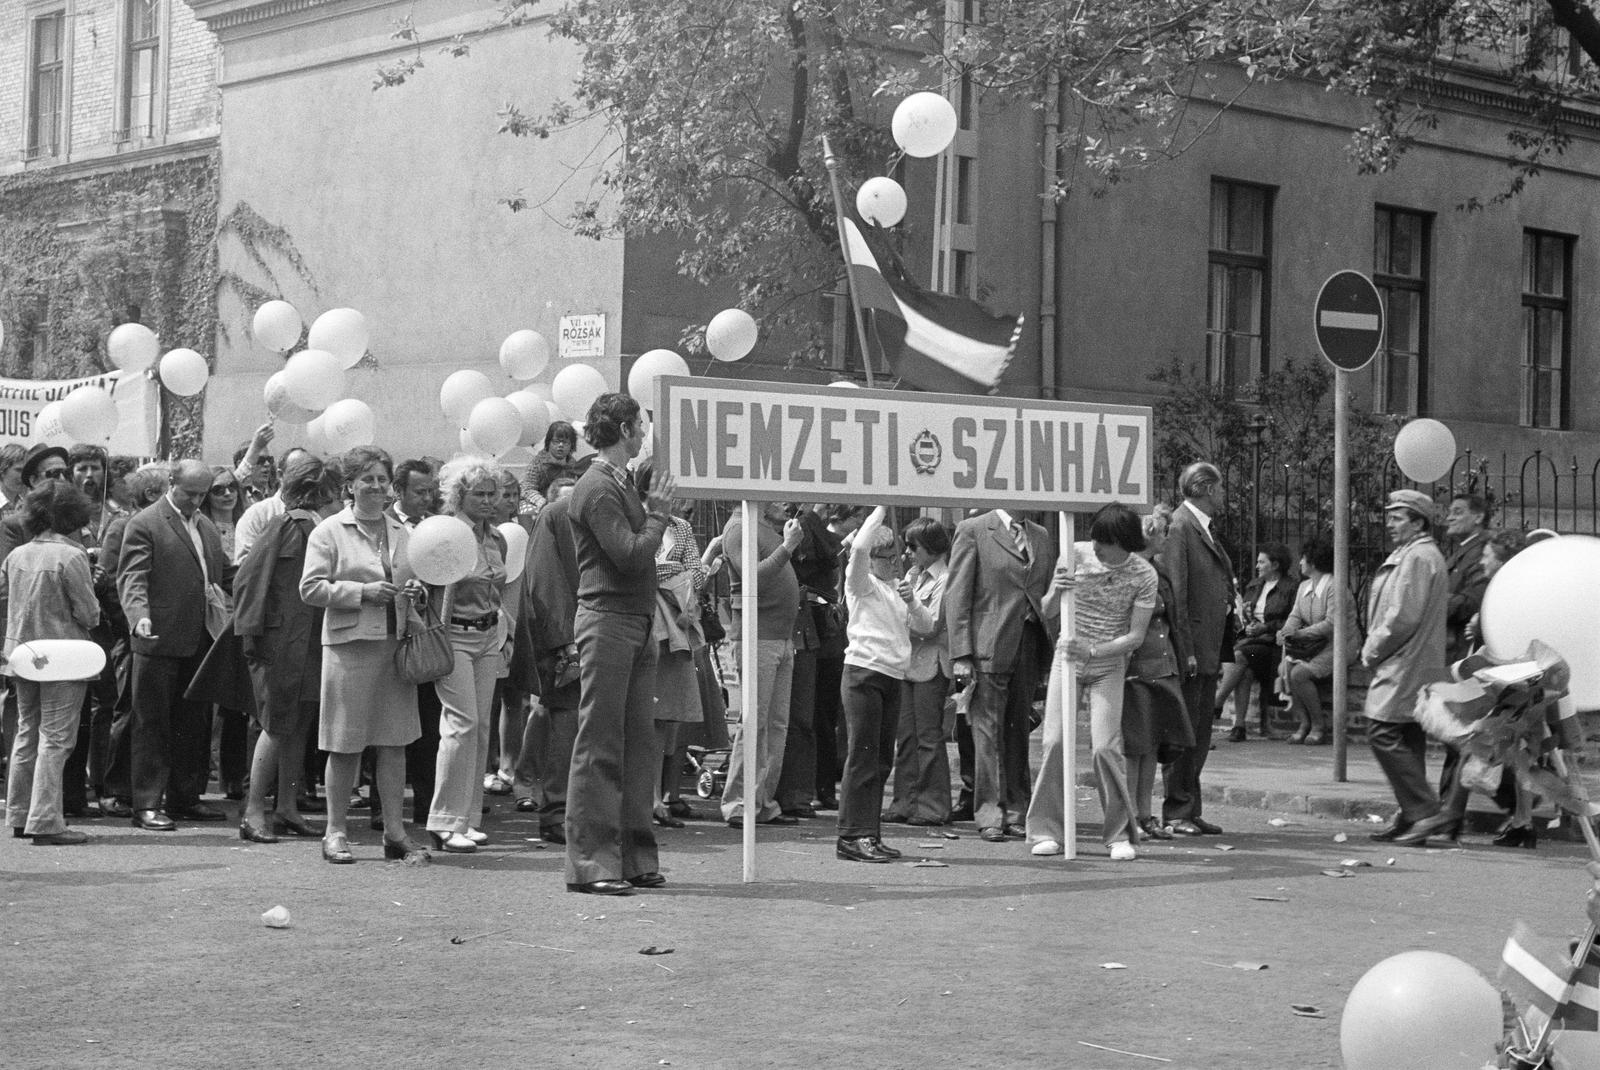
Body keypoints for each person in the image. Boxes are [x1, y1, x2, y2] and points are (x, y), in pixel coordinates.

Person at [565, 393, 676, 895]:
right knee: (601, 744)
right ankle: (592, 863)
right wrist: (658, 516)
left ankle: (633, 858)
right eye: (640, 424)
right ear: (626, 429)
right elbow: (631, 555)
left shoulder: (617, 481)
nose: (644, 432)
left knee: (636, 745)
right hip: (608, 621)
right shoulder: (595, 486)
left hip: (633, 620)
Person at [299, 447, 428, 864]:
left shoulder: (402, 532)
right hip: (350, 647)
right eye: (367, 479)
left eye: (381, 478)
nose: (376, 486)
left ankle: (395, 833)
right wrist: (360, 593)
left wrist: (416, 594)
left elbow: (418, 581)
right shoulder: (329, 531)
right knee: (344, 743)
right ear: (349, 486)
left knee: (394, 743)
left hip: (395, 647)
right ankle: (335, 832)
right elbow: (311, 587)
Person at [1026, 503, 1156, 860]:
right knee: (1054, 741)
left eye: (1104, 540)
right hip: (1066, 661)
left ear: (1123, 543)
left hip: (1107, 665)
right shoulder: (1076, 553)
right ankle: (1046, 830)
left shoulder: (1144, 575)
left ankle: (1118, 834)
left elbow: (1136, 637)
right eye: (1095, 537)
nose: (1095, 545)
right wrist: (1056, 588)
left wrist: (1094, 651)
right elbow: (1048, 608)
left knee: (1104, 747)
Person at [116, 460, 231, 831]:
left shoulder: (206, 527)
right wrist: (139, 616)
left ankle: (185, 797)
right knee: (151, 724)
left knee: (193, 723)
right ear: (171, 483)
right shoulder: (145, 522)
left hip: (200, 637)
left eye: (202, 494)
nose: (196, 501)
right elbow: (132, 577)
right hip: (157, 638)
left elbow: (224, 573)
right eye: (189, 493)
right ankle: (147, 803)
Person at [235, 455, 344, 845]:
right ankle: (253, 810)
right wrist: (256, 636)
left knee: (296, 724)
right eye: (334, 492)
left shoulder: (305, 525)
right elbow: (249, 580)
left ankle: (285, 806)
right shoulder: (292, 526)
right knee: (278, 725)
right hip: (282, 643)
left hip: (304, 641)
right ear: (320, 492)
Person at [945, 507, 1056, 842]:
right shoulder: (974, 529)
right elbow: (957, 594)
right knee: (987, 733)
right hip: (987, 645)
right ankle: (990, 813)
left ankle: (1018, 810)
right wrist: (961, 654)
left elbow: (1043, 590)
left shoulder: (1041, 535)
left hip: (1028, 644)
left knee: (1019, 730)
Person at [424, 457, 515, 854]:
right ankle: (443, 821)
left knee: (479, 729)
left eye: (491, 494)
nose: (487, 500)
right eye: (478, 493)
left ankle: (468, 818)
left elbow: (499, 589)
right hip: (454, 635)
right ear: (459, 495)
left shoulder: (495, 537)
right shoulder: (447, 533)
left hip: (487, 634)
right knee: (461, 724)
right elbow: (432, 583)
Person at [2, 481, 101, 845]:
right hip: (63, 656)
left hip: (23, 654)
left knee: (27, 732)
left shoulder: (17, 555)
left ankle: (19, 813)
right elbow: (89, 615)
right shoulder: (73, 556)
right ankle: (45, 821)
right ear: (74, 515)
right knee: (56, 739)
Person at [1360, 489, 1451, 846]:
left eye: (1398, 518)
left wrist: (1372, 649)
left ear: (1418, 522)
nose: (1389, 523)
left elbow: (1402, 616)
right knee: (1407, 734)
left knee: (1381, 731)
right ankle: (1410, 815)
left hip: (1404, 659)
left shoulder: (1418, 557)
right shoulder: (1418, 554)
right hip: (1415, 658)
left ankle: (1425, 811)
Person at [1436, 528, 1535, 847]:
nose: (1482, 560)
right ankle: (1523, 823)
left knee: (1471, 742)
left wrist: (1480, 631)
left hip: (1508, 685)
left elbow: (1509, 641)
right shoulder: (1505, 591)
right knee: (1518, 755)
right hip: (1509, 684)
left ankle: (1451, 817)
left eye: (1488, 555)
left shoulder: (1510, 595)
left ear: (1503, 561)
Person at [718, 500, 804, 828]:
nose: (786, 502)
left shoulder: (762, 525)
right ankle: (739, 804)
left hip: (779, 637)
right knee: (754, 722)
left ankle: (761, 801)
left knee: (775, 725)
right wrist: (788, 547)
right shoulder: (740, 527)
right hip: (758, 636)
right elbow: (753, 578)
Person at [833, 506, 912, 862]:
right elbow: (860, 548)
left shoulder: (896, 590)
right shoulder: (861, 584)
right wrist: (882, 507)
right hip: (864, 673)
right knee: (862, 756)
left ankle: (870, 831)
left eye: (898, 555)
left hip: (891, 674)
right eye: (890, 556)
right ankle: (852, 835)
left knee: (881, 759)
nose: (897, 562)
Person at [637, 461, 712, 829]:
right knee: (645, 714)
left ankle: (663, 795)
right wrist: (676, 574)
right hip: (649, 623)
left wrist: (678, 578)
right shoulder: (636, 521)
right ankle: (645, 797)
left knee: (668, 716)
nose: (670, 496)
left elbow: (698, 572)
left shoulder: (681, 528)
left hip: (680, 624)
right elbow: (642, 566)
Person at [1162, 461, 1234, 836]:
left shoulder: (1200, 528)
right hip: (1191, 649)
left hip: (1207, 647)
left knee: (1201, 731)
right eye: (1220, 488)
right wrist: (1185, 648)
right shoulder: (1180, 527)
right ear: (1206, 489)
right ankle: (1177, 809)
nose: (1223, 495)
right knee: (1186, 730)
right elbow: (1176, 593)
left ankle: (1189, 806)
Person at [515, 473, 584, 844]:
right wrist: (564, 641)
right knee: (565, 723)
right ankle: (556, 811)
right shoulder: (554, 517)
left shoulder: (594, 515)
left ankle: (572, 809)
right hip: (566, 639)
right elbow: (543, 582)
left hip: (593, 631)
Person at [881, 516, 952, 827]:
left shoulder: (945, 580)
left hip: (931, 665)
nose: (907, 552)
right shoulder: (913, 574)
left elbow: (932, 625)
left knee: (928, 736)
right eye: (906, 546)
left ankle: (933, 806)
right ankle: (904, 802)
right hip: (908, 664)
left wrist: (905, 615)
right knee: (906, 737)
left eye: (914, 547)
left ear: (932, 549)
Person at [387, 459, 443, 829]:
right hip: (388, 631)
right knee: (387, 725)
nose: (426, 498)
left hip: (424, 633)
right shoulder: (385, 525)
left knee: (427, 722)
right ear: (400, 491)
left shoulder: (437, 526)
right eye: (419, 492)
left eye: (430, 492)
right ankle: (382, 807)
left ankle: (426, 804)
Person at [1274, 539, 1358, 745]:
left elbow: (1332, 623)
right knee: (1285, 667)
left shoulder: (1335, 586)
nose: (1300, 563)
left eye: (1303, 558)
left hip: (1339, 645)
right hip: (1314, 646)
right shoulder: (1304, 586)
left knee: (1299, 674)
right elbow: (1295, 616)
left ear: (1313, 561)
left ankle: (1318, 725)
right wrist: (1285, 632)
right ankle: (1304, 724)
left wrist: (1300, 635)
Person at [1217, 544, 1295, 741]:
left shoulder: (1291, 588)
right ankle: (1239, 726)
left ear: (1275, 564)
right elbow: (1244, 614)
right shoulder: (1254, 585)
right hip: (1252, 642)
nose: (1257, 566)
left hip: (1272, 646)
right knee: (1245, 671)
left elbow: (1292, 620)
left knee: (1239, 656)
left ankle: (1216, 702)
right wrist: (1249, 625)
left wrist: (1266, 627)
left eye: (1262, 562)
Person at [232, 446, 311, 564]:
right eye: (297, 471)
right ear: (280, 475)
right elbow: (245, 566)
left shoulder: (318, 513)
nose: (305, 478)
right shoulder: (258, 514)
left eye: (309, 472)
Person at [520, 421, 578, 516]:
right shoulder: (538, 463)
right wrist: (542, 503)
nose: (560, 445)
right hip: (541, 508)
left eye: (565, 442)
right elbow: (527, 488)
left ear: (571, 445)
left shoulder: (574, 465)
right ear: (549, 442)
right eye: (556, 441)